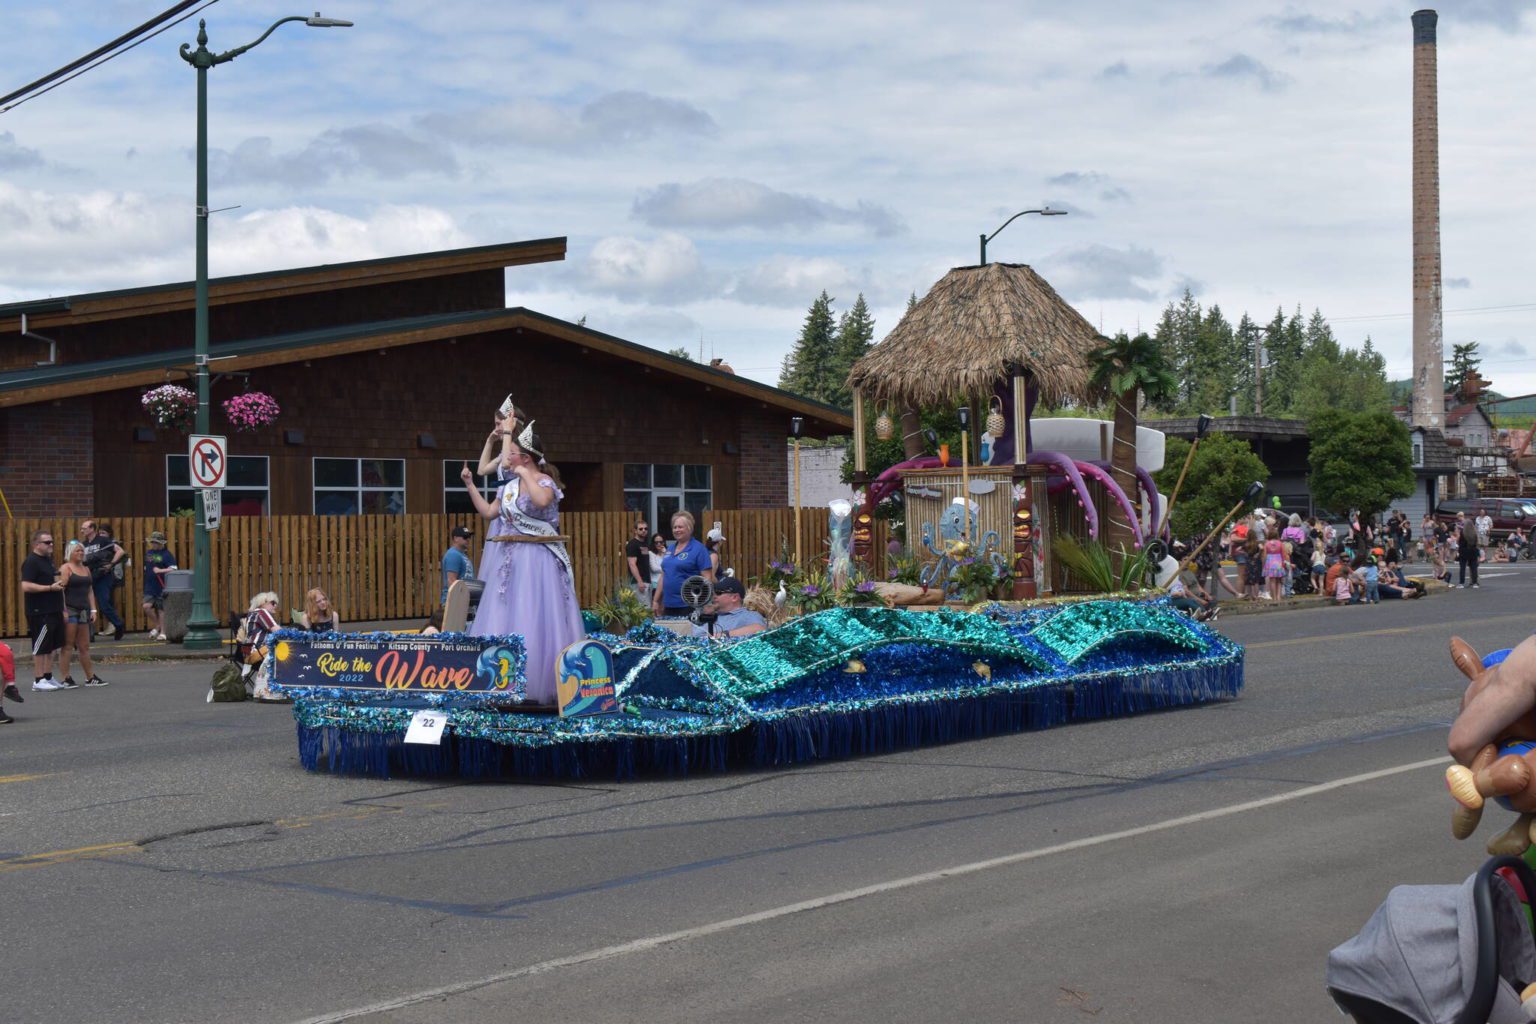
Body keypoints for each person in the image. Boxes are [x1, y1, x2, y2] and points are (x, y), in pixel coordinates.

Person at [459, 423, 585, 706]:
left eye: (513, 453)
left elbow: (540, 502)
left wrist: (526, 474)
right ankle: (501, 678)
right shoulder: (509, 488)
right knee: (509, 612)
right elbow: (489, 513)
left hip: (539, 560)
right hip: (512, 562)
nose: (508, 458)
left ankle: (538, 681)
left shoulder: (543, 482)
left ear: (526, 457)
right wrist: (469, 485)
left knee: (536, 614)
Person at [21, 529, 69, 691]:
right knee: (41, 645)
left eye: (51, 541)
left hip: (54, 609)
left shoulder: (48, 560)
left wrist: (63, 609)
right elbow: (25, 585)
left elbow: (58, 585)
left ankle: (48, 676)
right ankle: (38, 679)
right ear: (36, 544)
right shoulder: (31, 562)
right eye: (47, 542)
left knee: (53, 646)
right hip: (39, 611)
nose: (51, 545)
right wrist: (49, 588)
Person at [57, 540, 105, 687]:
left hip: (84, 609)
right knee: (68, 645)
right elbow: (60, 591)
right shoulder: (66, 568)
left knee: (84, 646)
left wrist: (93, 609)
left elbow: (90, 590)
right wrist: (64, 611)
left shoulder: (86, 569)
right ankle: (65, 678)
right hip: (70, 609)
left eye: (82, 551)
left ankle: (90, 677)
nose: (80, 553)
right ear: (70, 552)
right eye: (77, 551)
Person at [652, 510, 714, 617]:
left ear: (689, 528)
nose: (677, 530)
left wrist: (705, 604)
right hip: (668, 605)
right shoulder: (670, 549)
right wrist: (656, 601)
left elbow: (707, 579)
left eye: (680, 527)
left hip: (689, 606)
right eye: (674, 527)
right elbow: (663, 575)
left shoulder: (699, 549)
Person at [80, 519, 126, 641]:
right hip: (89, 576)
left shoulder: (103, 540)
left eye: (84, 528)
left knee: (104, 604)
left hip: (103, 577)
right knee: (86, 605)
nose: (82, 531)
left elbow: (120, 551)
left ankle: (119, 625)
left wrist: (111, 564)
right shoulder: (83, 545)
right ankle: (90, 634)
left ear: (92, 529)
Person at [690, 575, 767, 639]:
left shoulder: (748, 615)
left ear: (734, 597)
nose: (713, 596)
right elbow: (697, 638)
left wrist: (724, 635)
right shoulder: (708, 617)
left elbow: (760, 630)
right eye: (712, 593)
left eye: (718, 592)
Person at [239, 592, 282, 701]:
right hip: (258, 652)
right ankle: (275, 690)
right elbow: (278, 631)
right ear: (263, 603)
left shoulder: (252, 614)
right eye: (273, 603)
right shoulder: (262, 612)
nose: (275, 605)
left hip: (248, 654)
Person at [141, 531, 177, 641]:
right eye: (152, 542)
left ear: (161, 543)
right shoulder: (149, 553)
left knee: (161, 609)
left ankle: (163, 632)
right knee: (146, 606)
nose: (154, 544)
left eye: (156, 542)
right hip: (150, 585)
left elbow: (174, 568)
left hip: (162, 585)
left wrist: (160, 570)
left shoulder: (167, 554)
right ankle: (158, 625)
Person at [440, 525, 475, 605]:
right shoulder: (453, 555)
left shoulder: (461, 555)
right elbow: (451, 581)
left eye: (469, 537)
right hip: (455, 603)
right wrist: (457, 604)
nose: (468, 539)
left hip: (462, 600)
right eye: (465, 537)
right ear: (455, 538)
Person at [625, 519, 652, 602]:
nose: (643, 530)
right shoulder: (633, 544)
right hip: (639, 583)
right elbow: (632, 564)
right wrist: (639, 581)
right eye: (640, 529)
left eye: (645, 529)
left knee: (647, 609)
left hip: (647, 581)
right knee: (644, 610)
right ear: (635, 531)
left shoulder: (645, 543)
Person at [1457, 516, 1481, 589]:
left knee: (1462, 567)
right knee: (1474, 568)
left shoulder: (1463, 533)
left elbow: (1459, 542)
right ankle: (1475, 583)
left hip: (1464, 551)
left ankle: (1461, 583)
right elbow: (1477, 543)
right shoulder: (1475, 533)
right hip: (1473, 551)